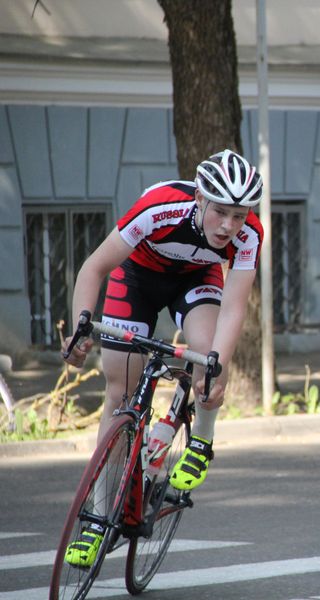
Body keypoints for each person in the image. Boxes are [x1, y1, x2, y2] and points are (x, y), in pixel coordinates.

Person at [60, 149, 264, 566]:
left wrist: (216, 365)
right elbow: (93, 268)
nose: (229, 226)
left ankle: (202, 439)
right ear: (200, 198)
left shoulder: (249, 234)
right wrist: (81, 325)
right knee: (119, 391)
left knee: (208, 356)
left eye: (239, 215)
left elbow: (234, 308)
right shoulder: (160, 207)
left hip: (196, 281)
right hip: (136, 278)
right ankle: (97, 517)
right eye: (220, 211)